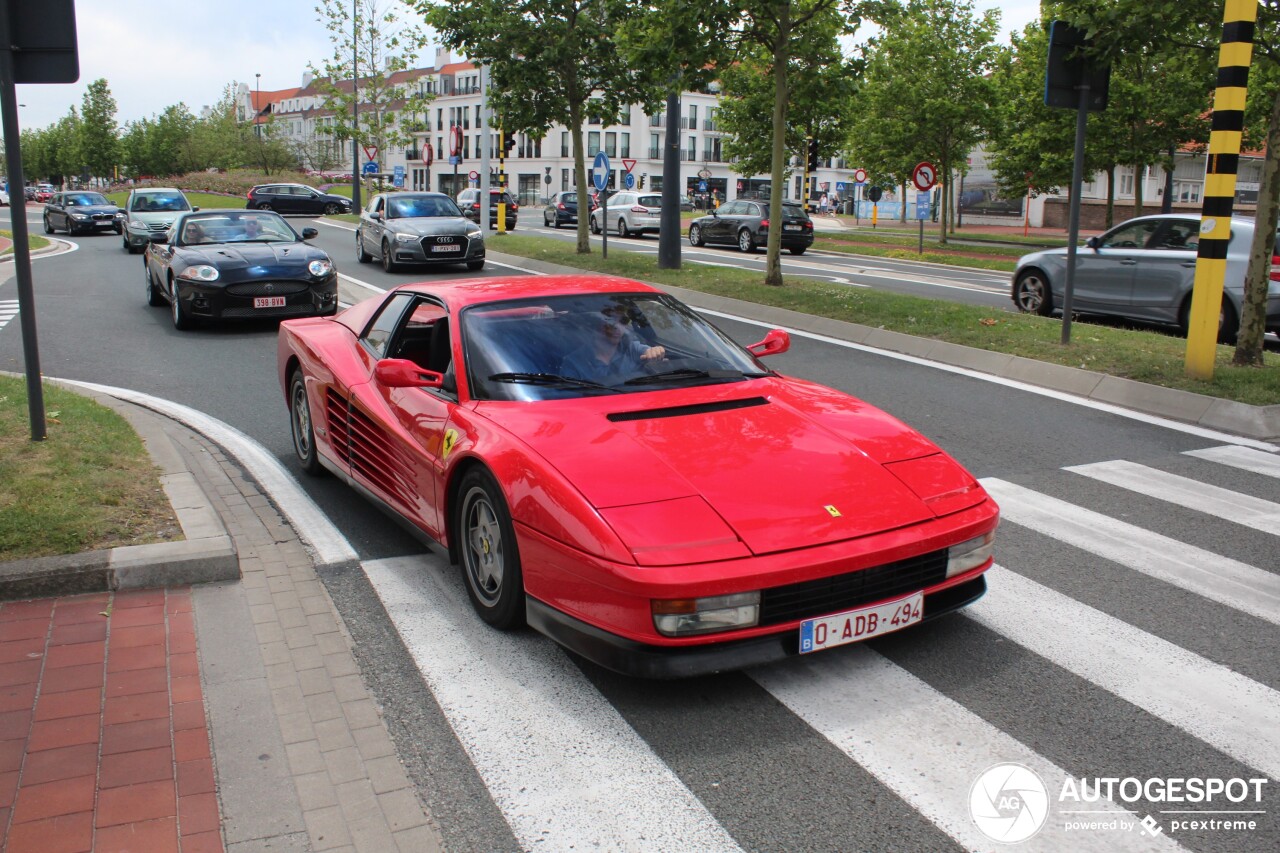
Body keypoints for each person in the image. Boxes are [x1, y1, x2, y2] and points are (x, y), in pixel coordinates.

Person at [560, 307, 665, 384]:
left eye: (623, 321)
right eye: (611, 321)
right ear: (598, 324)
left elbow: (649, 353)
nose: (618, 327)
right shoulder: (574, 362)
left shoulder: (632, 348)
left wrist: (656, 352)